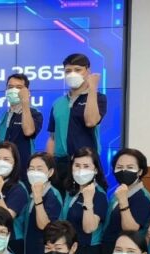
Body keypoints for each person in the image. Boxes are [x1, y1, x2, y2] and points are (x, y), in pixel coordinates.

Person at [45, 53, 106, 189]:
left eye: (78, 70)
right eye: (68, 71)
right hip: (61, 164)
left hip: (86, 163)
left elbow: (91, 121)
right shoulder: (58, 103)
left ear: (88, 71)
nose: (72, 74)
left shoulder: (98, 98)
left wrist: (92, 89)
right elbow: (53, 137)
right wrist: (48, 164)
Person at [101, 148, 150, 254]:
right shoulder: (121, 191)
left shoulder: (141, 197)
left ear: (140, 171)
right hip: (109, 251)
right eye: (119, 167)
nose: (124, 171)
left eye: (130, 167)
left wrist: (123, 201)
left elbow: (130, 228)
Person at [22, 153, 63, 254]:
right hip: (29, 253)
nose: (35, 173)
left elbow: (44, 225)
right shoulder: (31, 193)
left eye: (39, 169)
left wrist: (38, 199)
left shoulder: (52, 195)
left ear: (50, 172)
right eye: (31, 169)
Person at [0, 73, 43, 181]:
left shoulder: (34, 113)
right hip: (2, 169)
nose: (13, 90)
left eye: (19, 87)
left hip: (23, 169)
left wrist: (25, 102)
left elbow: (29, 131)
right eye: (10, 87)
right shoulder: (4, 115)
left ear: (26, 91)